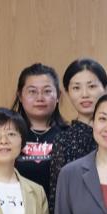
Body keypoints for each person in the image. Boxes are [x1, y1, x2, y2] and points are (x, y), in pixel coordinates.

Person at [48, 58, 107, 214]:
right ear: (67, 93)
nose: (85, 94)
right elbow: (57, 198)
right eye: (76, 88)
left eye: (92, 86)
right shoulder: (63, 139)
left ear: (106, 88)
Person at [10, 63, 66, 194]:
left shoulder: (69, 137)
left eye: (47, 91)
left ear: (58, 95)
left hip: (58, 207)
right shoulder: (6, 135)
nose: (40, 98)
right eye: (32, 91)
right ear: (20, 96)